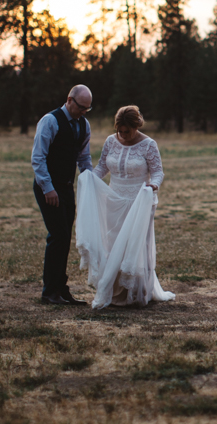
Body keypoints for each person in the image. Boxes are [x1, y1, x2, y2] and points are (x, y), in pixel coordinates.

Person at [75, 105, 175, 309]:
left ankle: (139, 292)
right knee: (113, 244)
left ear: (136, 126)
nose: (123, 135)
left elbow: (158, 172)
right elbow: (103, 166)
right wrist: (90, 179)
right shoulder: (111, 141)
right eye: (119, 131)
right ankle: (115, 291)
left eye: (127, 131)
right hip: (114, 199)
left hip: (140, 200)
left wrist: (153, 185)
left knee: (137, 245)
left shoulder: (148, 145)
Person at [31, 85, 93, 305]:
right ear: (69, 100)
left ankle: (61, 288)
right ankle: (49, 292)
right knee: (58, 236)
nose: (84, 112)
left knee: (65, 237)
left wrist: (92, 182)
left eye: (88, 108)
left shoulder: (83, 125)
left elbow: (84, 159)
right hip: (48, 187)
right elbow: (38, 158)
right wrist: (48, 188)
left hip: (67, 188)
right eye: (81, 107)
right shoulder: (50, 121)